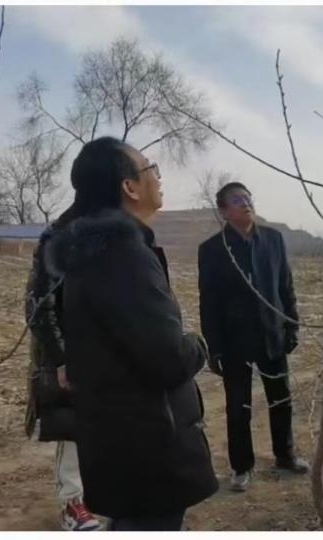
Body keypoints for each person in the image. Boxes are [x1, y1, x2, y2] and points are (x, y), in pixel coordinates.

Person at [46, 137, 218, 531]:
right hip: (148, 444)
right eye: (150, 168)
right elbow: (169, 358)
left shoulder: (93, 251)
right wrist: (199, 344)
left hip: (121, 437)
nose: (158, 176)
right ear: (130, 187)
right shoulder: (122, 254)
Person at [198, 181, 310, 492]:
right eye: (237, 200)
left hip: (272, 334)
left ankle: (285, 456)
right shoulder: (213, 249)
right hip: (234, 341)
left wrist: (292, 325)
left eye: (248, 198)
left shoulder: (273, 239)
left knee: (281, 400)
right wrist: (215, 348)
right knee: (238, 406)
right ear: (224, 211)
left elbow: (285, 286)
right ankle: (241, 466)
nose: (246, 203)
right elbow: (209, 302)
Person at [24, 214, 101, 532]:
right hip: (72, 351)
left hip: (108, 350)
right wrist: (60, 358)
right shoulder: (59, 236)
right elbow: (39, 304)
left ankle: (106, 495)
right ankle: (73, 503)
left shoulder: (121, 233)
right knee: (73, 429)